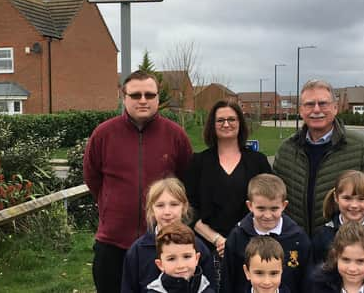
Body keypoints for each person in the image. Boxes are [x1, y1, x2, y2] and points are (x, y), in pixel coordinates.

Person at [84, 70, 193, 293]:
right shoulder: (103, 134)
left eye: (149, 95)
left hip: (162, 242)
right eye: (135, 95)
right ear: (123, 97)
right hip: (112, 241)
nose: (143, 100)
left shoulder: (175, 135)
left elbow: (185, 181)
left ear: (158, 99)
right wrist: (110, 204)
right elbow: (93, 178)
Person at [273, 79, 364, 237]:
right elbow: (273, 199)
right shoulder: (286, 150)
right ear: (301, 110)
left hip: (344, 250)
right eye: (310, 104)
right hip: (295, 248)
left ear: (335, 107)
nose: (316, 110)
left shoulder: (361, 148)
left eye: (323, 103)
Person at [184, 100, 272, 257]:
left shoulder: (258, 162)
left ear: (240, 123)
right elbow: (189, 209)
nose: (226, 124)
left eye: (231, 119)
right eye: (220, 120)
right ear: (212, 124)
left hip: (252, 248)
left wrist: (240, 241)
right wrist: (217, 240)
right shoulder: (198, 162)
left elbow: (270, 203)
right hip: (208, 248)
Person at [122, 178, 217, 293]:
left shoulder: (199, 247)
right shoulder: (137, 250)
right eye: (160, 205)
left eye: (174, 204)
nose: (167, 212)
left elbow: (211, 287)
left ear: (184, 207)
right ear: (151, 209)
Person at [222, 174, 312, 293]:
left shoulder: (298, 238)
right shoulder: (237, 237)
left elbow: (307, 280)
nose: (268, 215)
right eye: (261, 208)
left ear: (284, 205)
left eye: (274, 209)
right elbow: (228, 280)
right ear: (250, 206)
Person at [147, 222, 215, 293]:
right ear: (160, 265)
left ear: (196, 259)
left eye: (187, 256)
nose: (181, 265)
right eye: (171, 259)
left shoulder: (207, 290)